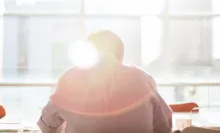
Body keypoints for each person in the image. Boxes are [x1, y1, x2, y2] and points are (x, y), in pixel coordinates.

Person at [37, 30, 172, 133]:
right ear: (121, 55)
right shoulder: (143, 78)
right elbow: (165, 125)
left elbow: (46, 125)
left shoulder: (70, 78)